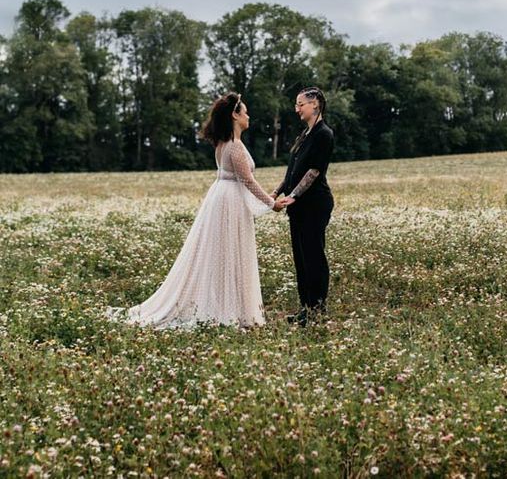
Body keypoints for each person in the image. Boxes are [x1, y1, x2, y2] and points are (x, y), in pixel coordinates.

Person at [106, 92, 280, 329]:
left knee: (223, 253)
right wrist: (272, 204)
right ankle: (226, 309)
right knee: (228, 253)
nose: (248, 116)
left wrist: (267, 199)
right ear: (235, 115)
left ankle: (228, 305)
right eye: (245, 112)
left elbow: (244, 180)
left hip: (222, 197)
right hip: (229, 202)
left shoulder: (223, 144)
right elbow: (248, 181)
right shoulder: (235, 146)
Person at [273, 87, 335, 326]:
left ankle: (317, 309)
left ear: (315, 104)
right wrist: (278, 191)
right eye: (296, 104)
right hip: (298, 205)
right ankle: (305, 308)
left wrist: (294, 196)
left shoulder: (323, 134)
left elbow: (313, 171)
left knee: (313, 256)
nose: (297, 108)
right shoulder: (305, 134)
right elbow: (293, 172)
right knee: (300, 258)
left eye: (301, 104)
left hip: (315, 204)